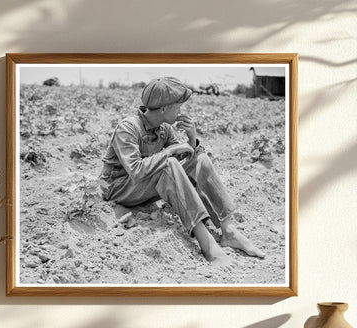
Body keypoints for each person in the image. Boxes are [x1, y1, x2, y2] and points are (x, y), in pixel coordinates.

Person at [99, 77, 264, 272]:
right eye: (178, 106)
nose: (180, 111)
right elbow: (136, 170)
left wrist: (192, 138)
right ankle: (208, 245)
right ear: (163, 109)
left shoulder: (164, 129)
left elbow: (186, 160)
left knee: (200, 159)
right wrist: (168, 152)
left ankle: (229, 231)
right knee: (169, 164)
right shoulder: (128, 127)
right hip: (119, 188)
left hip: (144, 185)